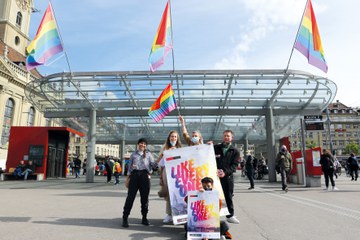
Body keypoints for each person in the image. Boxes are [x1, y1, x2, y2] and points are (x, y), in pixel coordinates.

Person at [122, 138, 157, 228]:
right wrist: (127, 179)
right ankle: (125, 218)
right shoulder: (133, 154)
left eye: (145, 144)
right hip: (134, 176)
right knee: (130, 197)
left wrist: (159, 161)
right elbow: (129, 168)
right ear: (138, 144)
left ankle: (144, 218)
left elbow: (153, 165)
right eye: (141, 143)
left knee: (145, 198)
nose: (143, 145)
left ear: (146, 145)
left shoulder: (149, 154)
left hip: (145, 176)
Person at [213, 130, 240, 224]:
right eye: (225, 136)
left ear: (232, 138)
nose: (226, 137)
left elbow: (234, 166)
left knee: (228, 196)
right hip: (215, 178)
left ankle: (230, 216)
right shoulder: (215, 147)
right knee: (214, 196)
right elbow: (207, 154)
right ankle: (212, 216)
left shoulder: (235, 151)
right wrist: (207, 145)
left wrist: (225, 172)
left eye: (228, 136)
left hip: (227, 178)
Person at [157, 130, 182, 223]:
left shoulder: (180, 149)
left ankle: (178, 214)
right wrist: (161, 178)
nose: (173, 138)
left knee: (177, 194)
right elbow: (160, 164)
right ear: (169, 138)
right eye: (172, 136)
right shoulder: (165, 149)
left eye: (175, 137)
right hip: (167, 174)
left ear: (177, 139)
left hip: (177, 175)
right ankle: (169, 214)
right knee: (168, 194)